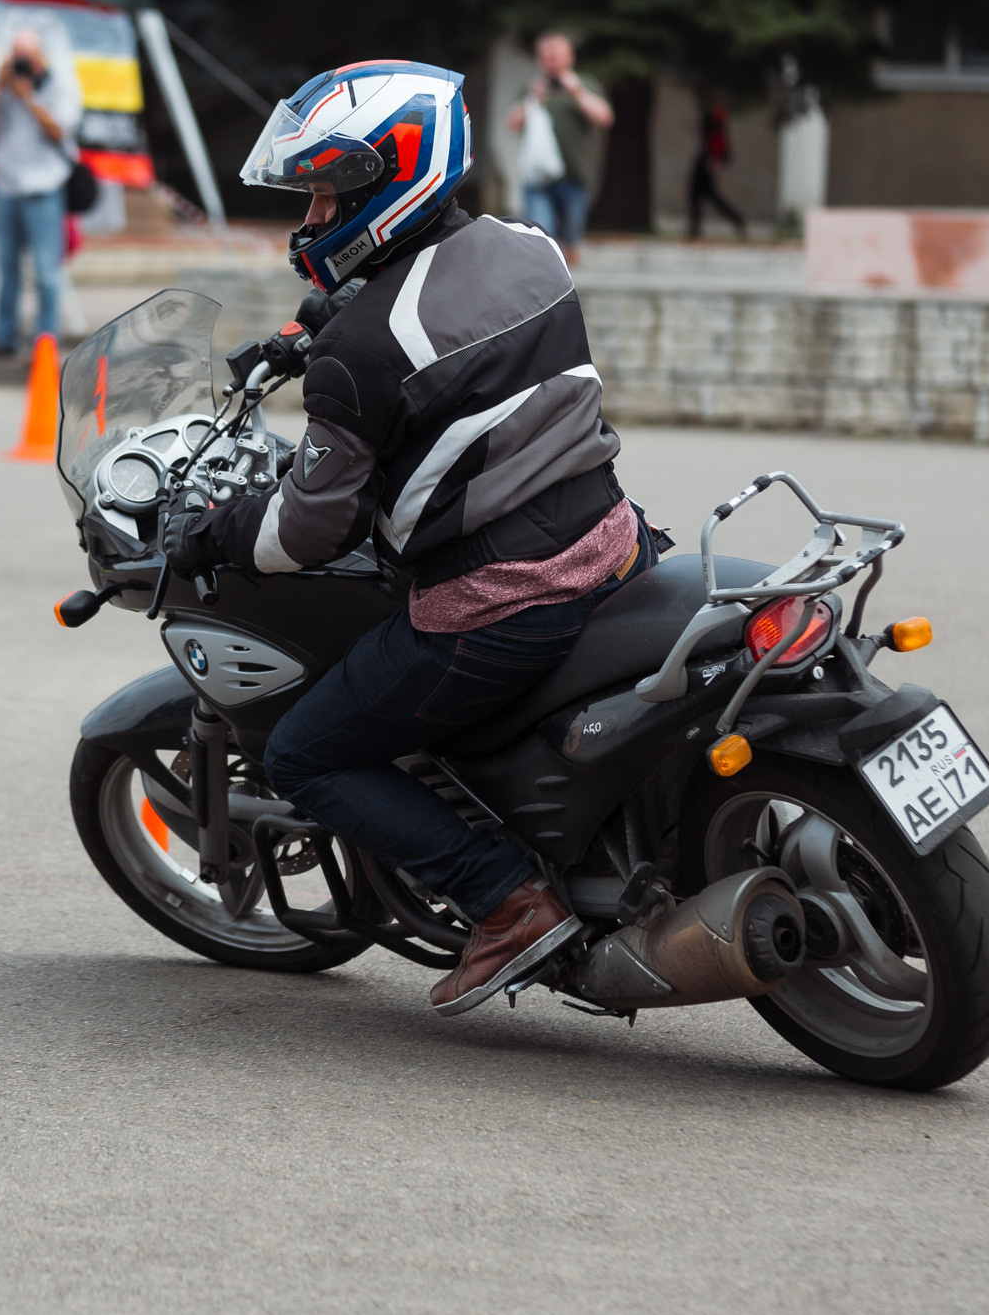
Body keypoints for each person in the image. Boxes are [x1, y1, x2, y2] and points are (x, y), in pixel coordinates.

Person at [160, 60, 654, 1017]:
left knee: (306, 754)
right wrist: (322, 325)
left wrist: (215, 535)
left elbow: (311, 527)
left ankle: (507, 901)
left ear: (391, 182)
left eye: (326, 193)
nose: (311, 216)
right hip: (610, 539)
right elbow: (454, 340)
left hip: (498, 600)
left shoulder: (364, 352)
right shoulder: (530, 248)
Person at [0, 27, 83, 357]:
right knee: (5, 267)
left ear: (40, 57)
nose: (22, 62)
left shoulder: (60, 84)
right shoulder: (3, 88)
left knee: (46, 270)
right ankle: (4, 337)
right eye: (17, 55)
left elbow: (59, 131)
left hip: (44, 186)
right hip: (6, 186)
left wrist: (28, 97)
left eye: (28, 56)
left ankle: (45, 341)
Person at [504, 32, 613, 257]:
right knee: (541, 237)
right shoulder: (532, 88)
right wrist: (533, 99)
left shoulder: (584, 84)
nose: (551, 60)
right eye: (547, 55)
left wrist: (577, 92)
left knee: (571, 242)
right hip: (538, 177)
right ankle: (548, 274)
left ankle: (568, 273)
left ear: (570, 57)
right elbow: (512, 124)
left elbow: (604, 118)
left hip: (574, 175)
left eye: (556, 55)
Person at [689, 94, 748, 239]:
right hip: (707, 161)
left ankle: (736, 219)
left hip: (707, 163)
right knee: (703, 195)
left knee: (704, 195)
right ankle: (696, 227)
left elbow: (716, 141)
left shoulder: (715, 118)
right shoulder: (714, 117)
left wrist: (715, 161)